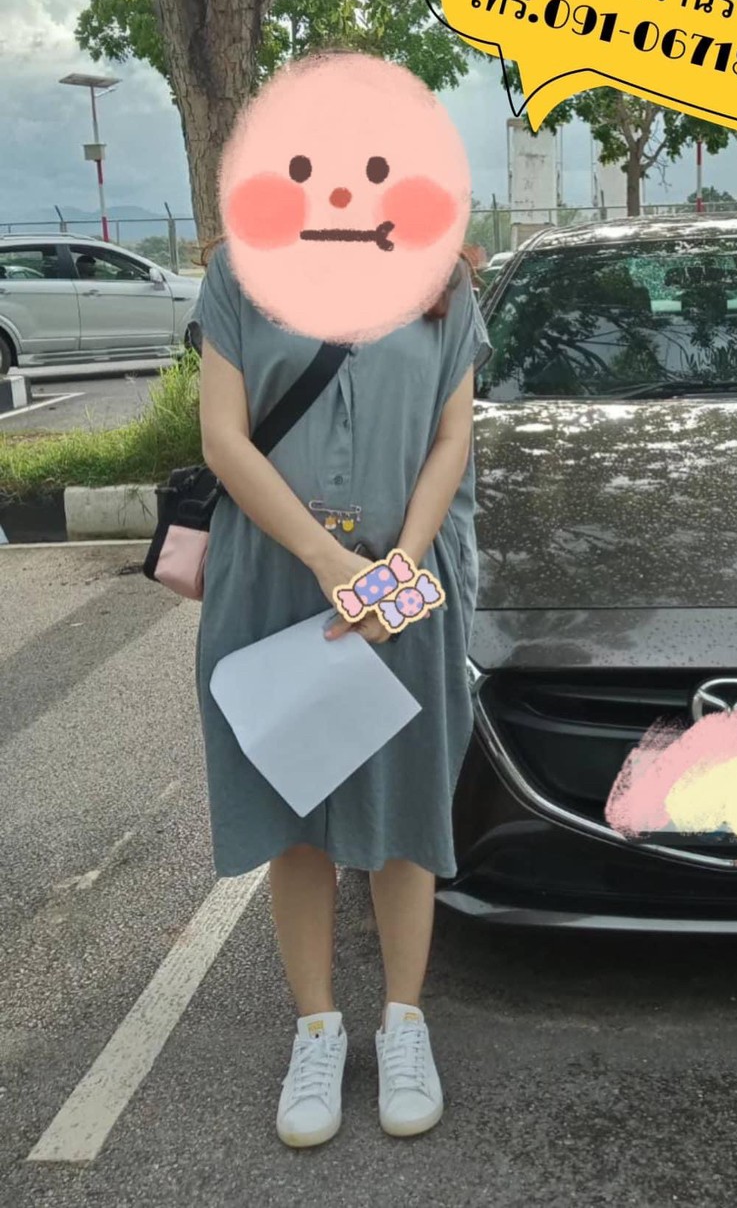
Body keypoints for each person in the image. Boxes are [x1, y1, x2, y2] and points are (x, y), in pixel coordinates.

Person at [193, 233, 490, 1149]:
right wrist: (328, 563)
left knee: (406, 804)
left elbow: (453, 435)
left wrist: (394, 572)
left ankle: (404, 1022)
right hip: (275, 575)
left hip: (406, 579)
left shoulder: (441, 276)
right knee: (295, 807)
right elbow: (222, 436)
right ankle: (317, 1029)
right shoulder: (241, 273)